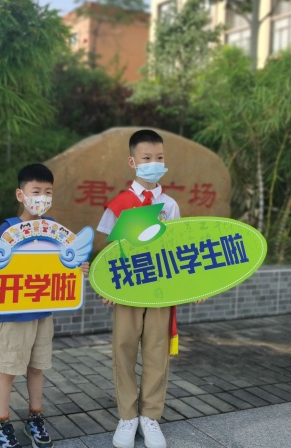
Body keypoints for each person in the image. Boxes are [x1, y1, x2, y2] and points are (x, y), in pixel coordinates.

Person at [0, 164, 89, 448]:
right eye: (36, 191)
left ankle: (35, 418)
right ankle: (0, 425)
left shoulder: (55, 232)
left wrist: (78, 268)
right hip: (15, 315)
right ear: (20, 194)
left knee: (38, 367)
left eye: (48, 192)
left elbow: (66, 263)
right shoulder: (8, 230)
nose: (42, 198)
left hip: (43, 312)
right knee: (8, 370)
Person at [97, 129, 180, 448]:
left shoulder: (169, 205)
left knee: (158, 351)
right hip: (129, 290)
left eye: (159, 157)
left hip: (160, 290)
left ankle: (151, 417)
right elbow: (107, 250)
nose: (154, 163)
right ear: (133, 162)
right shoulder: (120, 204)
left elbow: (177, 248)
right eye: (147, 158)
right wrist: (107, 284)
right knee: (125, 349)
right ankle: (128, 416)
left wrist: (191, 286)